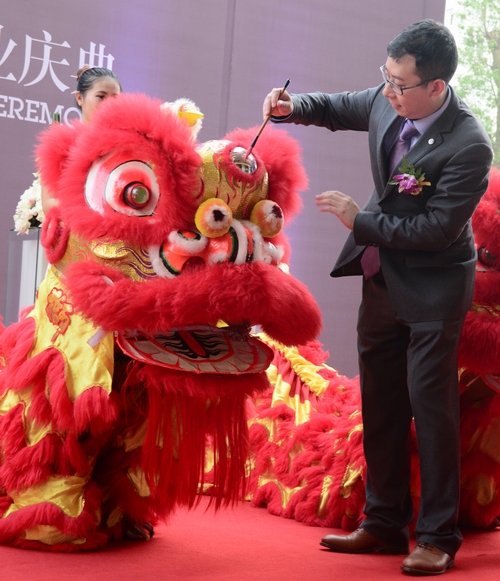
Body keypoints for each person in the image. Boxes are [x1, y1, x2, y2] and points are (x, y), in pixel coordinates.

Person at [262, 19, 492, 576]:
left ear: (436, 87)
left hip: (435, 284)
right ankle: (384, 521)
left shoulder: (469, 146)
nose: (387, 91)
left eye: (399, 84)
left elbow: (437, 230)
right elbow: (342, 106)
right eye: (384, 78)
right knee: (382, 400)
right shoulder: (391, 100)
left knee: (429, 408)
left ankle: (437, 536)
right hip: (382, 277)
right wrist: (295, 106)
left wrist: (358, 220)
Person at [41, 66, 122, 213]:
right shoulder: (61, 144)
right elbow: (49, 203)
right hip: (77, 232)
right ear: (79, 98)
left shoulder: (126, 146)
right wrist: (94, 211)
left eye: (114, 98)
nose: (108, 103)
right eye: (101, 96)